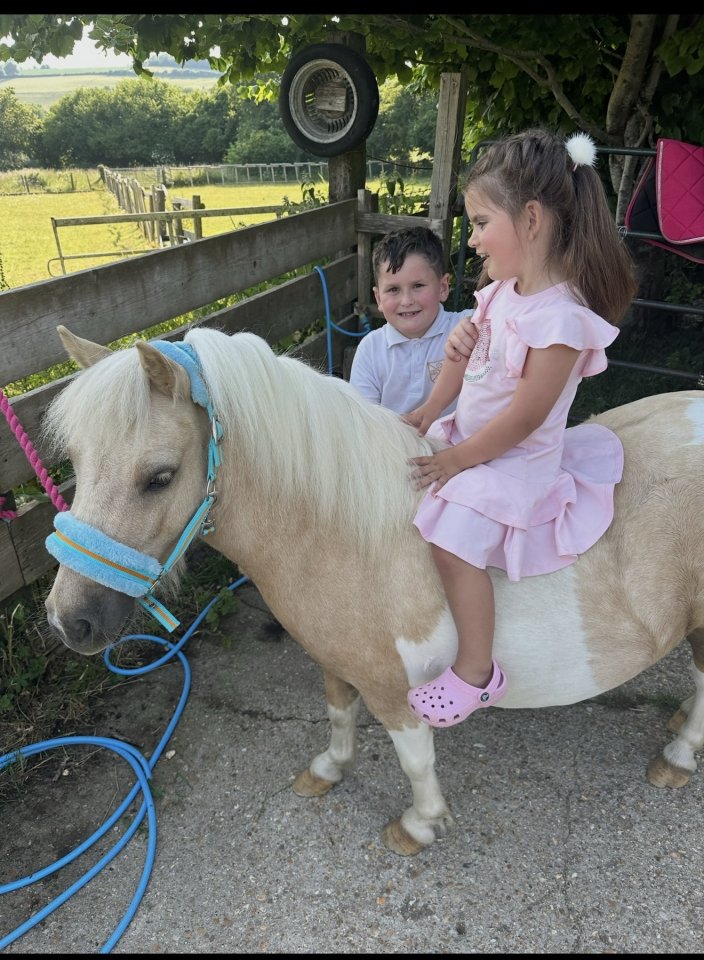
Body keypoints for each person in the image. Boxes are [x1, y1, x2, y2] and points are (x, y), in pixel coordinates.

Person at [404, 128, 637, 728]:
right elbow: (463, 363)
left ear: (530, 219)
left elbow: (525, 419)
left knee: (451, 539)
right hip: (472, 439)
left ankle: (476, 671)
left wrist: (457, 461)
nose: (472, 240)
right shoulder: (498, 293)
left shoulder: (561, 320)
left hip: (514, 461)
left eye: (482, 223)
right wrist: (430, 408)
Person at [349, 225, 475, 415]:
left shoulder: (466, 327)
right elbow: (364, 420)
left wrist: (475, 323)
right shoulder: (370, 350)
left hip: (462, 436)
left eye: (418, 286)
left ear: (443, 288)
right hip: (391, 435)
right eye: (393, 289)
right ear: (378, 298)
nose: (406, 301)